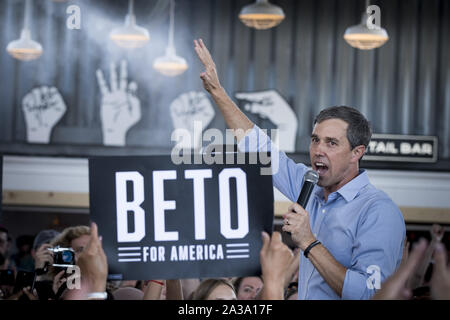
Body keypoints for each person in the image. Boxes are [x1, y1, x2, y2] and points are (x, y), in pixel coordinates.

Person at [194, 38, 405, 300]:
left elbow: (369, 294)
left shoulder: (378, 211)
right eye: (315, 139)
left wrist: (309, 242)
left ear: (357, 152)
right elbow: (258, 146)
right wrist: (217, 91)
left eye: (331, 143)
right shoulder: (310, 189)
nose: (318, 150)